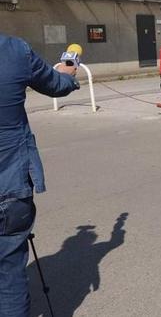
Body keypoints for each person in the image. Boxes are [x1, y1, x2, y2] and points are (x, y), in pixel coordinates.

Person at [0, 33, 79, 316]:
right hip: (10, 186)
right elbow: (56, 84)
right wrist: (69, 72)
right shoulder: (15, 49)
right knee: (9, 277)